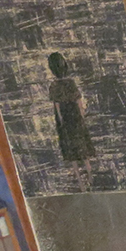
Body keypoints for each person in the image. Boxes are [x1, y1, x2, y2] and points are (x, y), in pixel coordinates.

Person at [47, 52, 95, 190]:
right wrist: (82, 115)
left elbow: (57, 106)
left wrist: (61, 121)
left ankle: (80, 182)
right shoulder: (71, 83)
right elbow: (79, 102)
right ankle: (90, 176)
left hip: (65, 120)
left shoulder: (54, 86)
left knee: (71, 151)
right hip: (75, 117)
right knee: (83, 148)